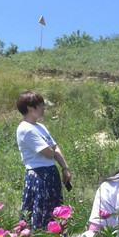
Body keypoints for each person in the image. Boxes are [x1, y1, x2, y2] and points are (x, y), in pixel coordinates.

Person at [16, 91, 72, 229]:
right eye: (39, 105)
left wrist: (64, 167)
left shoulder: (40, 127)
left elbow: (53, 148)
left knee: (54, 210)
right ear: (29, 108)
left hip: (50, 172)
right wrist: (52, 148)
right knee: (40, 211)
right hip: (39, 175)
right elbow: (48, 153)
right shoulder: (26, 129)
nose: (43, 108)